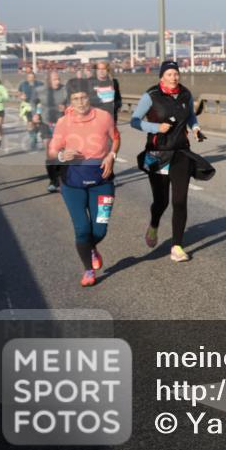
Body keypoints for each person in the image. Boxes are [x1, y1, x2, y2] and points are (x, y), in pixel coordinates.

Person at [130, 60, 207, 262]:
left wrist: (196, 128)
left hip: (181, 152)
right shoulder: (151, 95)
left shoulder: (185, 94)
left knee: (180, 201)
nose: (174, 78)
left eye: (176, 74)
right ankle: (154, 224)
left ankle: (177, 246)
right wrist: (156, 128)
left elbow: (191, 116)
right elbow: (134, 121)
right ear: (162, 77)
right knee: (161, 201)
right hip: (157, 153)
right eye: (169, 74)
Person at [47, 78, 120, 287]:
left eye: (83, 97)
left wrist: (111, 155)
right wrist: (61, 156)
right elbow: (52, 150)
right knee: (82, 229)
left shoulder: (104, 117)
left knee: (100, 230)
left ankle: (91, 247)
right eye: (75, 99)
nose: (80, 102)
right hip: (73, 183)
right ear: (70, 101)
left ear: (90, 97)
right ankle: (88, 270)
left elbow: (116, 138)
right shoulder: (64, 122)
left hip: (102, 181)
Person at [35, 70, 68, 192]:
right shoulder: (41, 91)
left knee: (61, 154)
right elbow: (35, 103)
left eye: (58, 79)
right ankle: (53, 181)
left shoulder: (65, 90)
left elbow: (73, 104)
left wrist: (66, 108)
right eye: (55, 79)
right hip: (46, 124)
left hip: (61, 126)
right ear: (48, 81)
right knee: (50, 153)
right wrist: (35, 114)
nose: (58, 81)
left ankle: (61, 178)